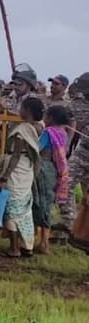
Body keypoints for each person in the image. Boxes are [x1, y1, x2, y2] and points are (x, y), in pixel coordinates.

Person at [0, 97, 43, 258]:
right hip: (27, 170)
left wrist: (4, 177)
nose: (19, 110)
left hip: (16, 170)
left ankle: (14, 247)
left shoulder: (22, 130)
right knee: (24, 209)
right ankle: (27, 246)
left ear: (27, 110)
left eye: (22, 108)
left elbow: (16, 156)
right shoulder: (38, 127)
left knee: (11, 208)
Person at [33, 105, 70, 254]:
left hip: (43, 167)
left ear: (51, 118)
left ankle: (42, 242)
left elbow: (37, 147)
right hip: (55, 170)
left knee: (40, 202)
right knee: (47, 203)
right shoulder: (63, 133)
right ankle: (44, 241)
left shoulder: (48, 132)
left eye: (46, 115)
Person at [60, 73, 89, 230]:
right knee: (65, 184)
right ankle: (71, 225)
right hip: (83, 152)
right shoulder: (78, 103)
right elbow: (64, 114)